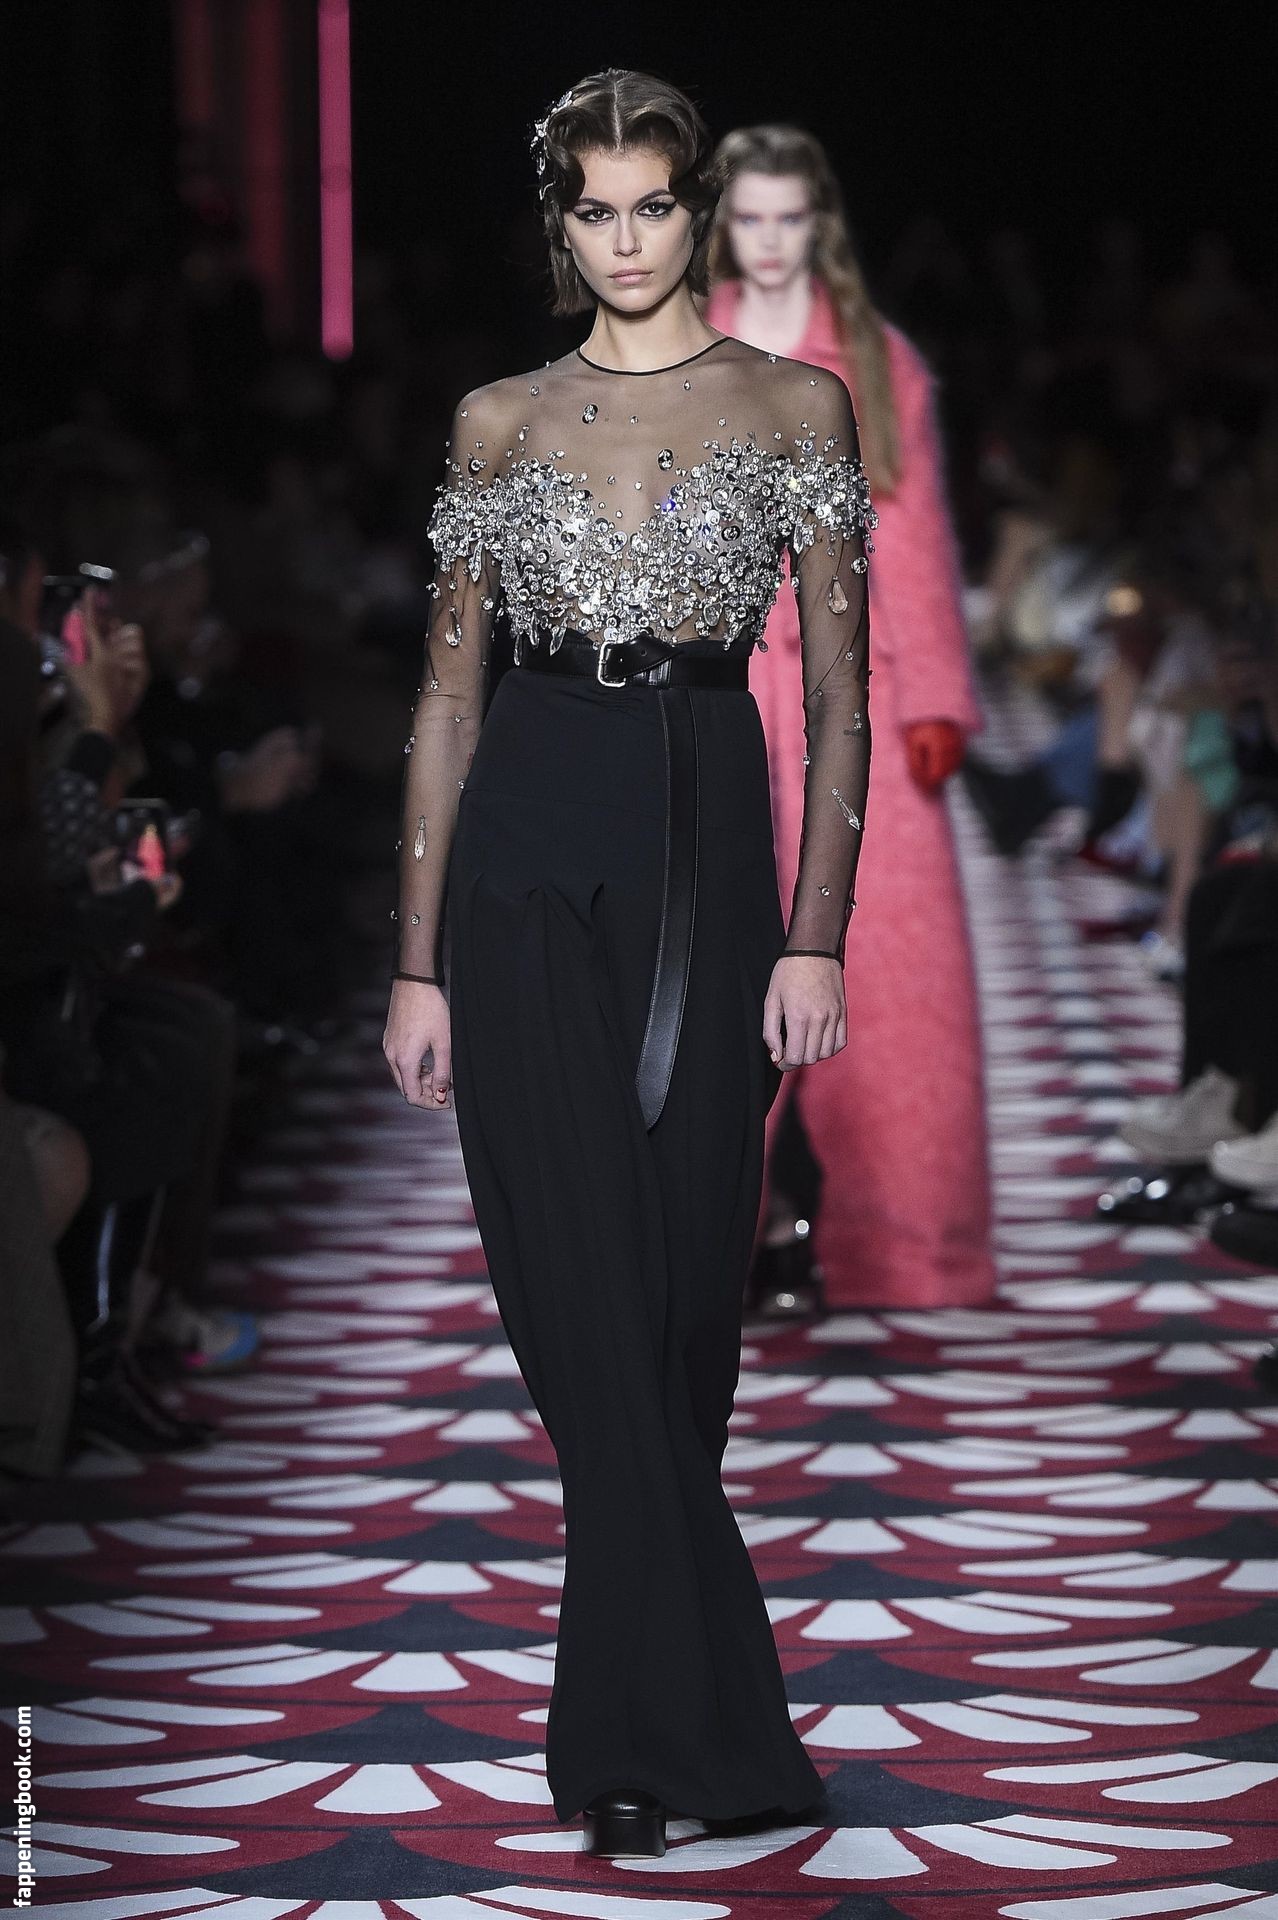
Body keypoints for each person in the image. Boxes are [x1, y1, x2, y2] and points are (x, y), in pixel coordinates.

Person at [382, 70, 874, 1856]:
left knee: (677, 1322)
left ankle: (663, 1725)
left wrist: (813, 931)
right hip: (525, 837)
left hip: (703, 838)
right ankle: (650, 1743)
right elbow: (445, 700)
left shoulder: (794, 404)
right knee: (578, 1303)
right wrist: (415, 961)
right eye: (593, 209)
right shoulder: (497, 419)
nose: (627, 238)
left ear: (692, 209)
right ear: (559, 224)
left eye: (651, 204)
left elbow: (839, 700)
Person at [705, 126, 994, 1310]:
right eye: (751, 219)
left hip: (851, 689)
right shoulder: (679, 342)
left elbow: (912, 526)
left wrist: (934, 697)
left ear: (819, 225)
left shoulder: (877, 356)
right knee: (720, 958)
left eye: (790, 219)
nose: (771, 243)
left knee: (891, 968)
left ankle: (905, 1241)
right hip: (719, 684)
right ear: (724, 224)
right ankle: (721, 1239)